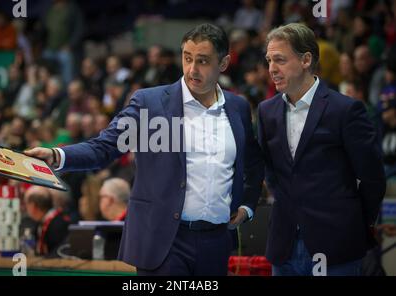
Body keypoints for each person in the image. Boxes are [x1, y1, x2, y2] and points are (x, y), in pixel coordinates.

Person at [25, 23, 264, 276]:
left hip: (216, 243)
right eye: (187, 58)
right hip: (166, 242)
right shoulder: (149, 103)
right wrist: (56, 155)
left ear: (224, 63)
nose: (192, 69)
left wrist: (247, 206)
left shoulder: (237, 107)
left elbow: (253, 162)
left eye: (203, 61)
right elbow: (105, 147)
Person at [258, 23, 386, 276]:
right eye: (269, 60)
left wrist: (355, 222)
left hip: (337, 245)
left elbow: (372, 178)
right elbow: (272, 174)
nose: (272, 68)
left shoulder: (346, 110)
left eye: (280, 60)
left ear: (306, 60)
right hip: (284, 246)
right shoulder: (266, 111)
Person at [24, 186, 70, 257]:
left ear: (33, 206)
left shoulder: (58, 224)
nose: (26, 208)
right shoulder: (40, 224)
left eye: (26, 204)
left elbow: (59, 254)